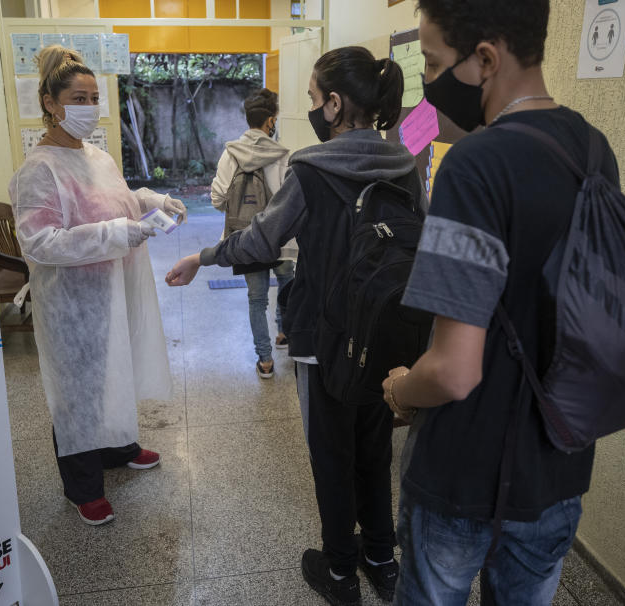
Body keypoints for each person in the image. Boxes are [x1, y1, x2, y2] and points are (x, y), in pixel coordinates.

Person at [167, 46, 425, 606]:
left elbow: (261, 240)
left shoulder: (313, 168)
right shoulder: (407, 166)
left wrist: (203, 257)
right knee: (374, 450)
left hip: (325, 337)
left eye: (313, 98)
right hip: (386, 334)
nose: (311, 109)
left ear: (334, 104)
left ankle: (338, 572)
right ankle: (382, 559)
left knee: (331, 453)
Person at [382, 1, 620, 603]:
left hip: (462, 478)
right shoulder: (593, 149)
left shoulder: (474, 166)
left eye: (433, 63)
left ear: (484, 59)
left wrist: (400, 387)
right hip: (557, 472)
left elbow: (455, 371)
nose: (429, 84)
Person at [8, 45, 187, 526]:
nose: (89, 108)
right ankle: (82, 486)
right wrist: (117, 234)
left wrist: (155, 200)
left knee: (114, 369)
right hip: (72, 303)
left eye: (93, 98)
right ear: (50, 102)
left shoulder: (98, 156)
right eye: (78, 98)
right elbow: (40, 242)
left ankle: (119, 446)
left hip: (112, 287)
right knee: (77, 390)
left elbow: (122, 199)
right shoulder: (37, 171)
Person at [210, 88, 295, 379]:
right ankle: (284, 332)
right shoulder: (282, 154)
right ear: (270, 120)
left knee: (256, 298)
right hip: (281, 236)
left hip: (246, 238)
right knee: (287, 282)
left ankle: (265, 360)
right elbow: (290, 199)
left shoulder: (230, 153)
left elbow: (217, 198)